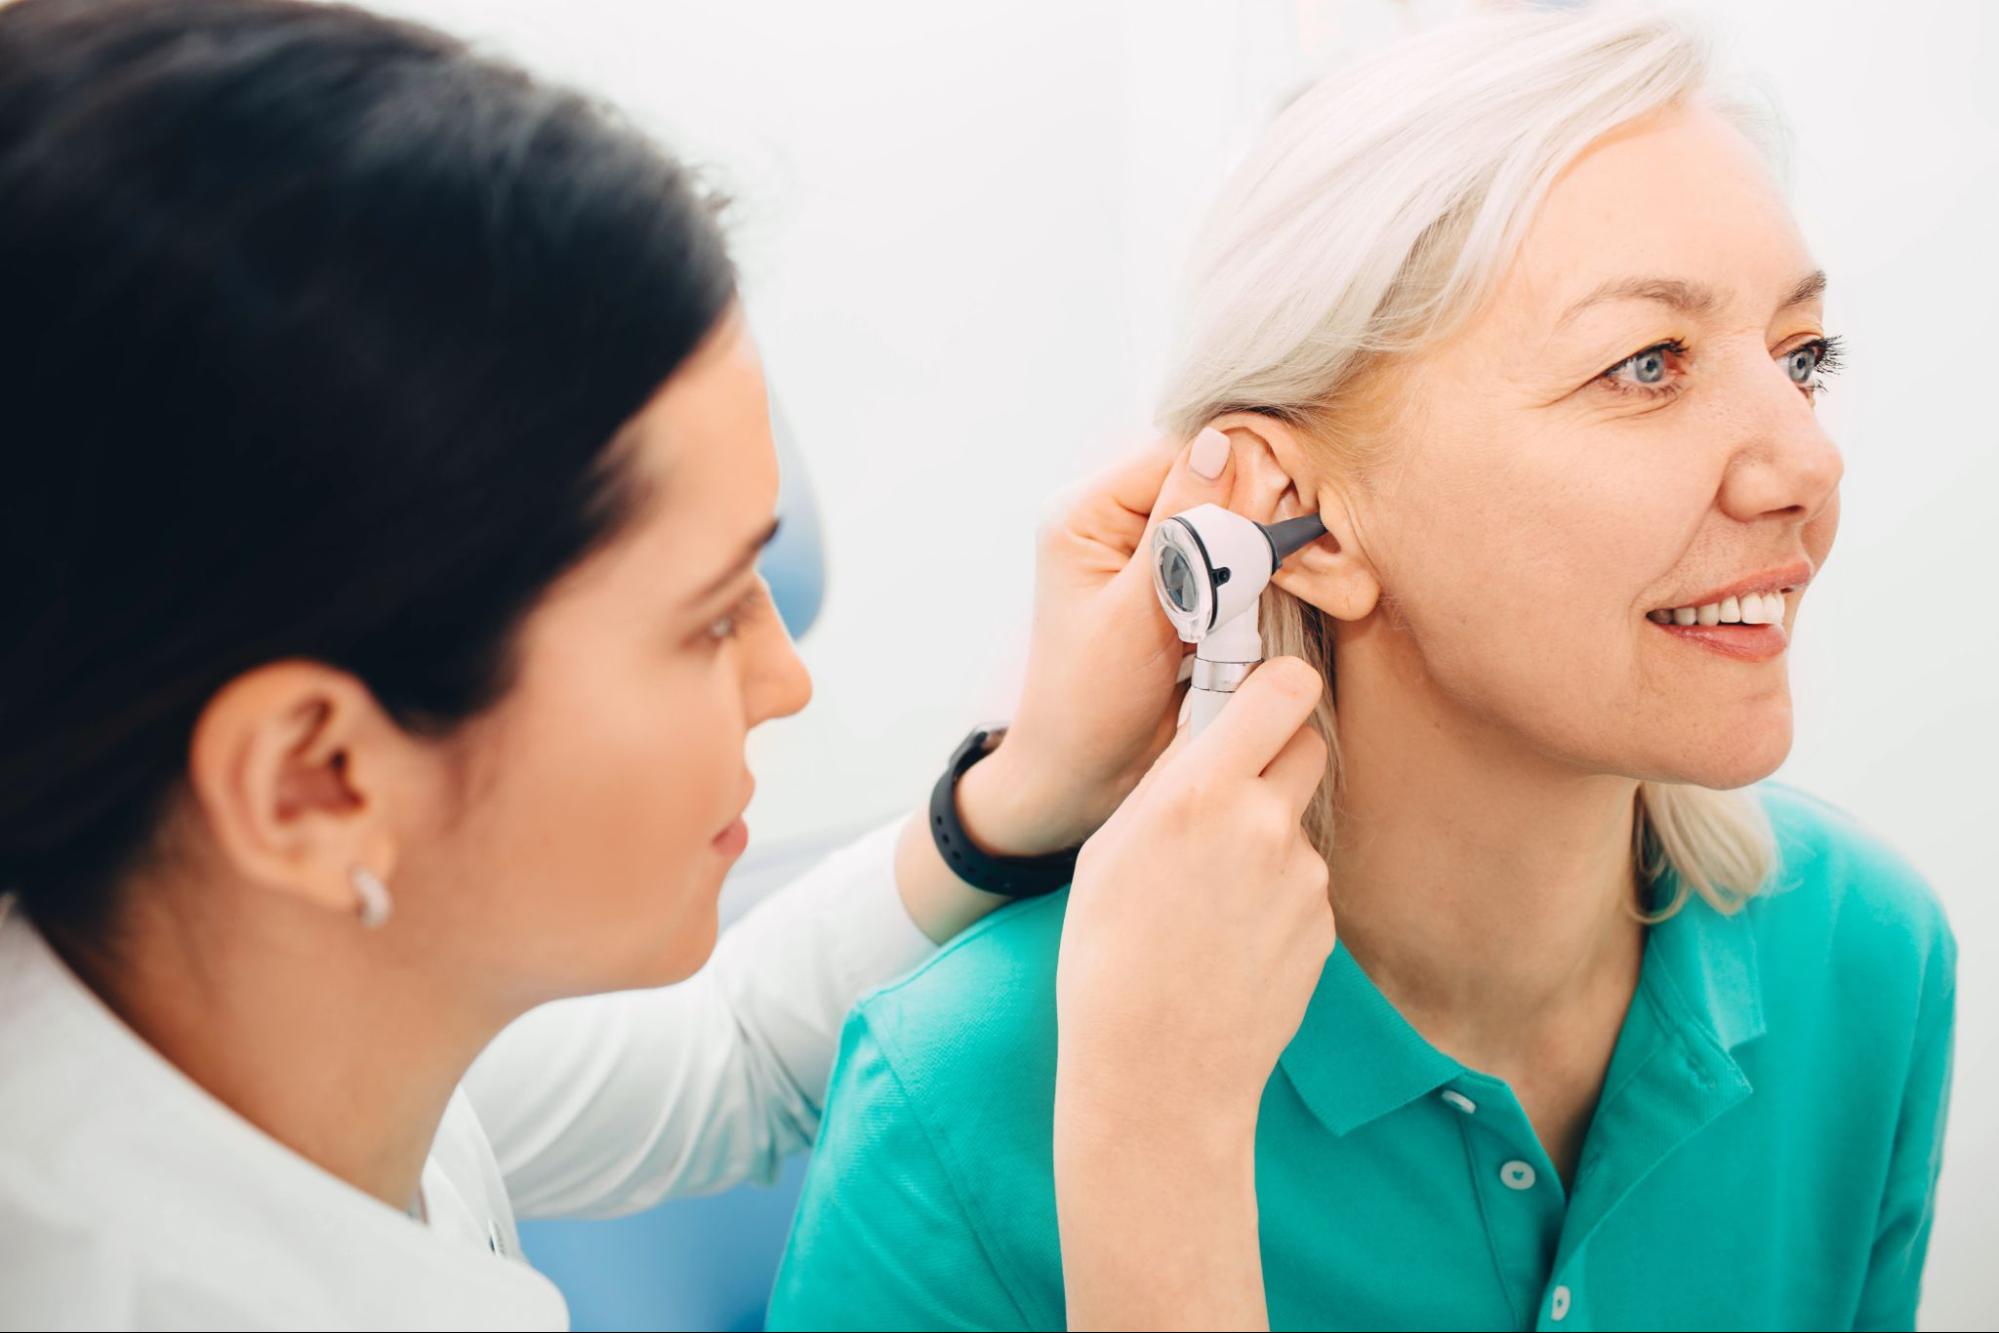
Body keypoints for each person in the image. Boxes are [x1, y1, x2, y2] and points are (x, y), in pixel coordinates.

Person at [0, 1, 1337, 1327]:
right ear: (318, 777)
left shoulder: (254, 1003)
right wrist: (1155, 1123)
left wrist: (1023, 791)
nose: (783, 677)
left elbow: (729, 1061)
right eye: (708, 618)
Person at [768, 9, 1957, 1331]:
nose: (1805, 463)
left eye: (1803, 358)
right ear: (1301, 509)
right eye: (1645, 366)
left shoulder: (1869, 957)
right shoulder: (969, 1105)